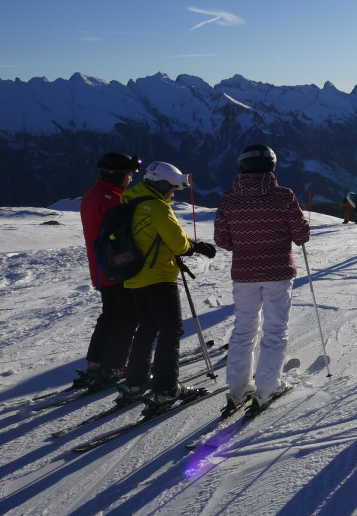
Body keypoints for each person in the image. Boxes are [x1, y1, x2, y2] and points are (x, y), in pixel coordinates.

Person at [214, 144, 310, 413]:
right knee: (275, 330)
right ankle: (267, 387)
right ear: (272, 166)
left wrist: (245, 244)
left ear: (242, 166)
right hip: (278, 273)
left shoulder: (228, 199)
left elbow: (222, 239)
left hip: (244, 274)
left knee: (243, 330)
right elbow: (301, 235)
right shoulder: (283, 196)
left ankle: (237, 388)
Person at [117, 161, 217, 413]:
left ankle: (135, 384)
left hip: (133, 276)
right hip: (159, 277)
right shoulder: (157, 207)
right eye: (172, 188)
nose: (173, 193)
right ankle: (166, 390)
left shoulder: (129, 202)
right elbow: (178, 244)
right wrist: (195, 247)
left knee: (147, 328)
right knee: (171, 331)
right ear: (162, 185)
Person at [76, 152, 143, 390]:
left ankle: (96, 364)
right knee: (128, 315)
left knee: (111, 314)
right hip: (117, 267)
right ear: (117, 175)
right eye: (129, 175)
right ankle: (114, 366)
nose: (131, 179)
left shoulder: (92, 195)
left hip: (101, 268)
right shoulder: (113, 199)